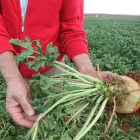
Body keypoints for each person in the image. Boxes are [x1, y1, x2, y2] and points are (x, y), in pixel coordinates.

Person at [0, 0, 117, 129]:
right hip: (7, 60)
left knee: (48, 120)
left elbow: (72, 29)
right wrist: (12, 76)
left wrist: (87, 71)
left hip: (50, 65)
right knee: (26, 116)